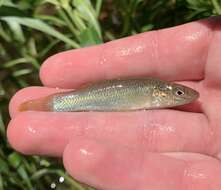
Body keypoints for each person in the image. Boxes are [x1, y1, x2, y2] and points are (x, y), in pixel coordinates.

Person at [7, 16, 221, 190]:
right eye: (179, 92)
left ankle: (44, 106)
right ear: (161, 93)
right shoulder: (154, 90)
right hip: (93, 96)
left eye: (179, 92)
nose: (182, 95)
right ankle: (47, 105)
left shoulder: (157, 91)